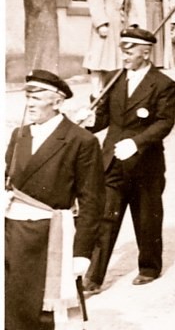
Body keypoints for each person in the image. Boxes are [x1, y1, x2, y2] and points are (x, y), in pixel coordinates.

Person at [5, 70, 103, 330]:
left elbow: (92, 201)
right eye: (28, 96)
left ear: (57, 102)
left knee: (47, 314)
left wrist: (82, 252)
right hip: (12, 234)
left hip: (50, 239)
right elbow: (8, 182)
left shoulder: (81, 140)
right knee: (12, 309)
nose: (30, 103)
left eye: (37, 97)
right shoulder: (19, 134)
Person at [82, 27, 175, 292]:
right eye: (123, 49)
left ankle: (149, 267)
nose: (124, 56)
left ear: (146, 53)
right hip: (111, 160)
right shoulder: (114, 79)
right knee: (105, 217)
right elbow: (103, 119)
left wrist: (136, 143)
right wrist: (87, 121)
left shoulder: (163, 84)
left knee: (147, 217)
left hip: (145, 163)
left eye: (130, 50)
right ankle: (94, 277)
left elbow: (164, 123)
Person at [83, 0, 129, 96]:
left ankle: (109, 92)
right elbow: (95, 1)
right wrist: (101, 23)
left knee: (115, 59)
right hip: (106, 22)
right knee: (99, 59)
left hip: (119, 22)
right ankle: (96, 93)